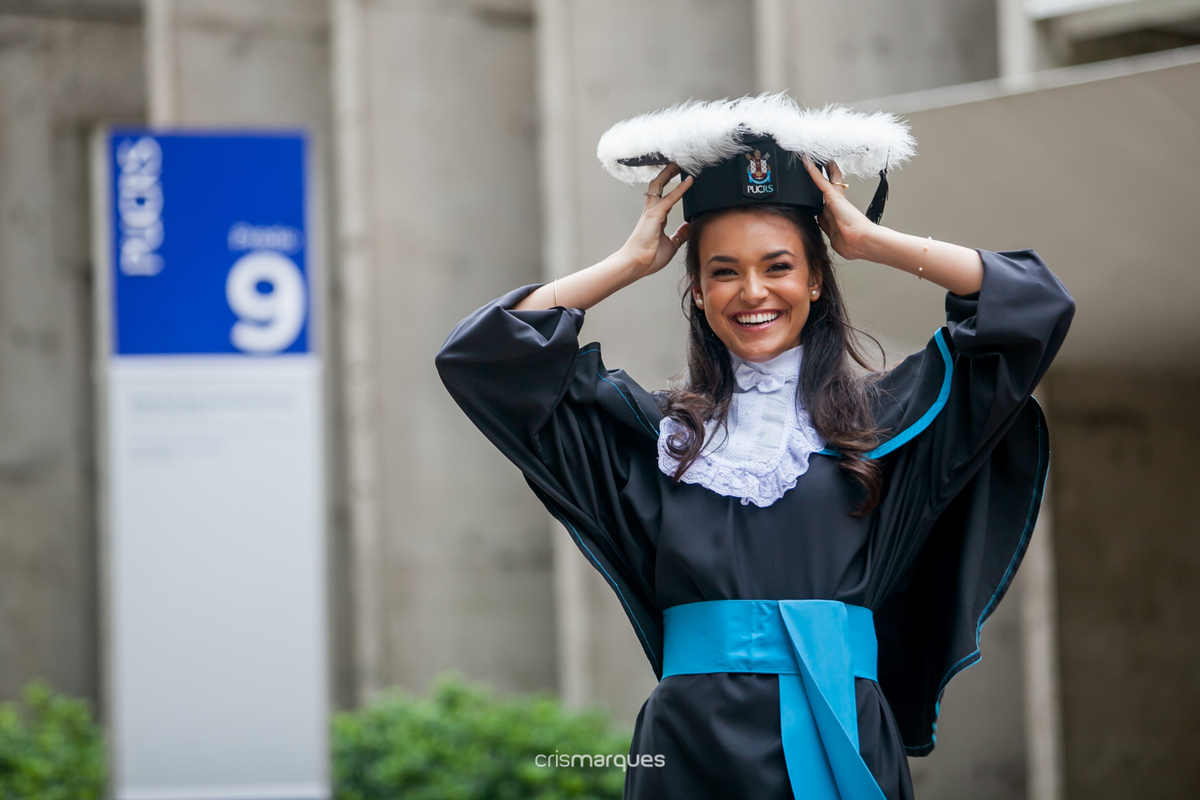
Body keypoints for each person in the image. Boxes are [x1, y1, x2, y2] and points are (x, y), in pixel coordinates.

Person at [436, 96, 1074, 800]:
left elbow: (1033, 304)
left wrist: (867, 240)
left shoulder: (890, 427)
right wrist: (628, 261)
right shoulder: (653, 440)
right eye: (723, 272)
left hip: (844, 728)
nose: (752, 292)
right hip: (687, 751)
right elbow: (481, 356)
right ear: (699, 292)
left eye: (778, 266)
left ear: (816, 278)